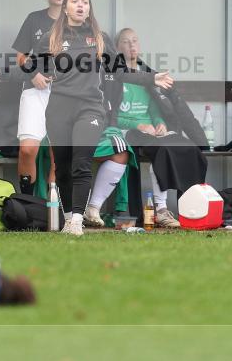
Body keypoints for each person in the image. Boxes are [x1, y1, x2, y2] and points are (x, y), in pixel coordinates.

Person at [0, 0, 174, 236]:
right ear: (67, 8)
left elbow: (120, 71)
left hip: (90, 108)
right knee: (62, 167)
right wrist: (1, 73)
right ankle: (69, 215)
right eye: (75, 1)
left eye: (85, 2)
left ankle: (76, 221)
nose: (81, 5)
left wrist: (152, 77)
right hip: (58, 108)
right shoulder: (53, 37)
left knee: (81, 162)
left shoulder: (100, 38)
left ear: (89, 9)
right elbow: (30, 67)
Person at [87, 28, 208, 228]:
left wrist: (159, 122)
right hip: (126, 131)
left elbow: (156, 107)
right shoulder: (113, 76)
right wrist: (138, 125)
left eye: (135, 41)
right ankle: (160, 209)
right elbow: (113, 114)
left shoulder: (148, 75)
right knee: (161, 151)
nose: (132, 45)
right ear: (116, 48)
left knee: (184, 147)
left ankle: (192, 210)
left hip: (152, 131)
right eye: (126, 42)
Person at [9, 0, 69, 195]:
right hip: (35, 90)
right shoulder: (34, 19)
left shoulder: (78, 22)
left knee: (58, 155)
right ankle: (26, 203)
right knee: (28, 150)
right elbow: (21, 57)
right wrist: (33, 74)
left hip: (64, 95)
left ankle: (54, 211)